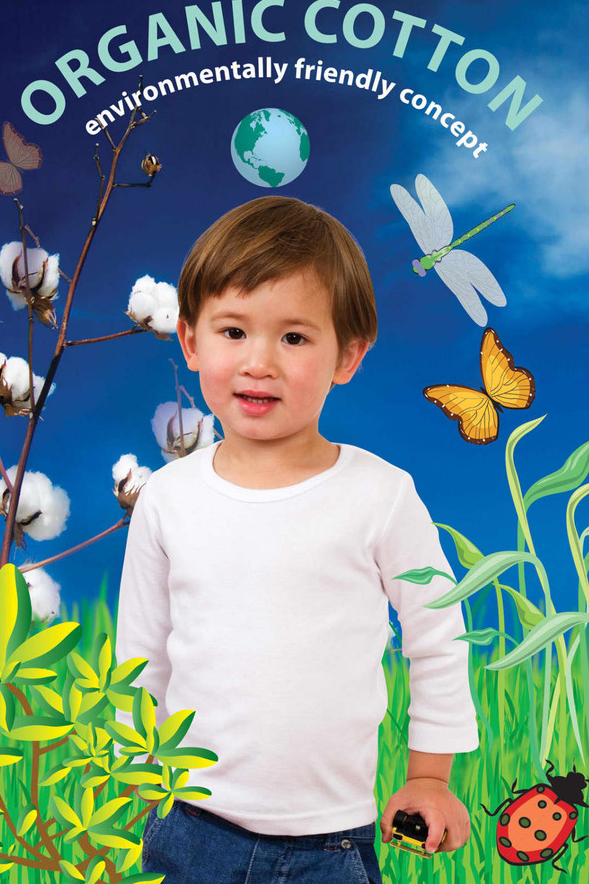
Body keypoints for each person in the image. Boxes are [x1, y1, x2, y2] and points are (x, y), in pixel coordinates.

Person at [115, 195, 478, 884]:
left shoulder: (380, 495)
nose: (259, 362)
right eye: (232, 332)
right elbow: (141, 651)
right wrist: (132, 776)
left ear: (348, 355)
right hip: (187, 826)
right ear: (190, 341)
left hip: (331, 844)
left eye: (294, 337)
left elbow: (439, 631)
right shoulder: (167, 499)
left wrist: (429, 777)